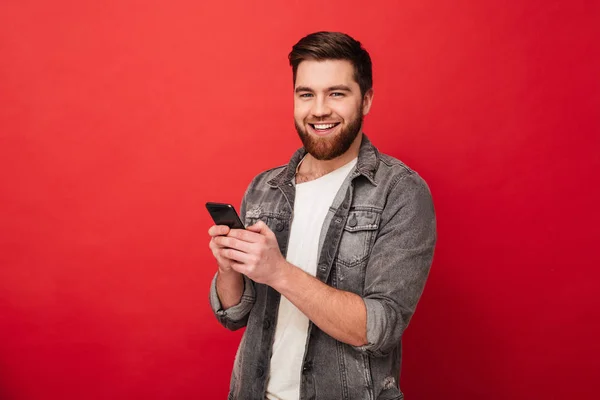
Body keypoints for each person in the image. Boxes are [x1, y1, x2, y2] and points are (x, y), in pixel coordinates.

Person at [208, 31, 436, 400]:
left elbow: (378, 329)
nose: (319, 110)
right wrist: (228, 267)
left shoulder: (401, 192)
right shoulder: (265, 188)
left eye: (336, 93)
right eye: (306, 94)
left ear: (366, 100)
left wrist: (278, 271)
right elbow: (233, 314)